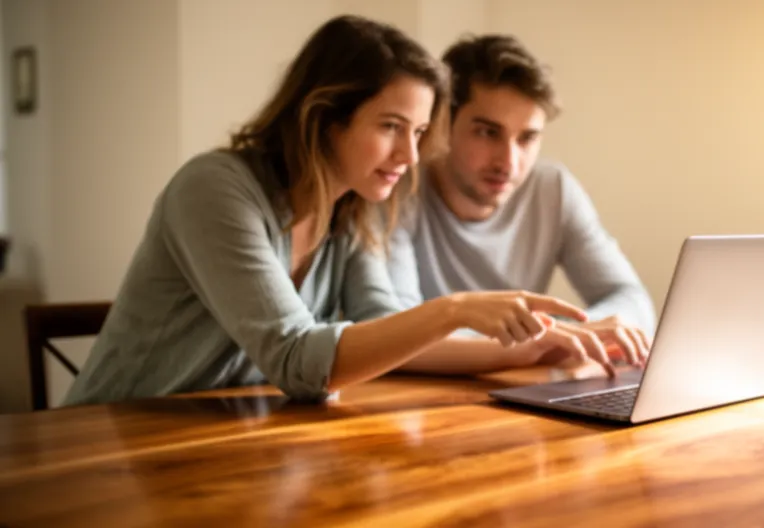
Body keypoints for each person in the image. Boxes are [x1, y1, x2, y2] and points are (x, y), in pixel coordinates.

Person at [63, 16, 590, 407]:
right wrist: (455, 308)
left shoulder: (353, 211)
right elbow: (296, 360)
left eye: (420, 133)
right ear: (323, 117)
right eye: (390, 127)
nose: (409, 158)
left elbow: (390, 332)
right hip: (107, 445)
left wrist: (531, 350)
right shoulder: (214, 190)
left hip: (225, 441)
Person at [387, 34, 657, 376]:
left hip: (518, 388)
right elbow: (395, 330)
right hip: (417, 403)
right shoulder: (398, 188)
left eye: (527, 138)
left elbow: (631, 298)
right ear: (442, 124)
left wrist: (580, 334)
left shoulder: (553, 189)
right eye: (488, 133)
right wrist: (550, 338)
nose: (509, 162)